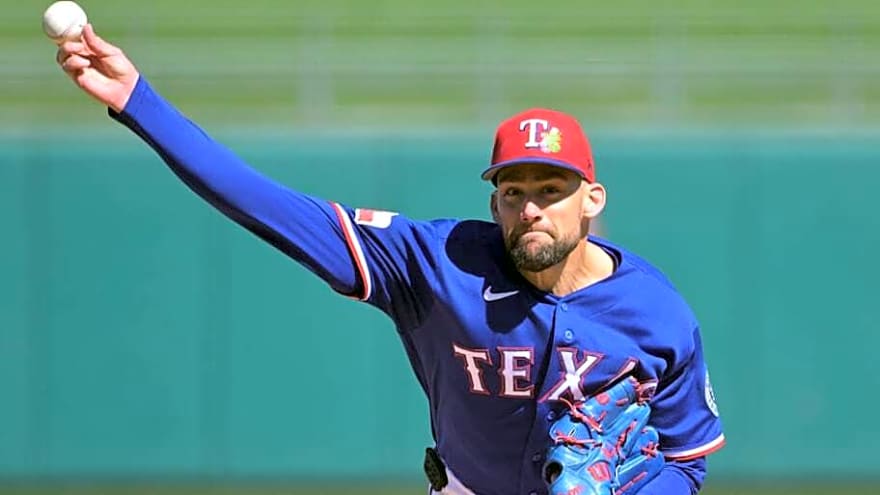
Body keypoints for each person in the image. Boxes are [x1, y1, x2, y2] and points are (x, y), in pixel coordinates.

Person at [54, 24, 725, 495]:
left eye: (552, 191)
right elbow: (264, 203)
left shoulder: (656, 312)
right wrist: (137, 101)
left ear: (591, 199)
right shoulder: (434, 262)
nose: (531, 208)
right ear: (494, 202)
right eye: (513, 190)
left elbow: (686, 461)